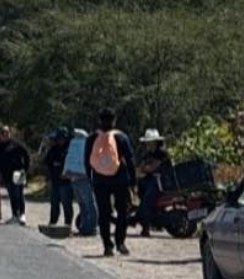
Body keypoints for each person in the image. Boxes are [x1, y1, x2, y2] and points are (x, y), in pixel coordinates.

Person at [86, 108, 136, 256]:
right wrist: (133, 180)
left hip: (100, 181)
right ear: (114, 120)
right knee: (123, 211)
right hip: (120, 179)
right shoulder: (122, 137)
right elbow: (130, 159)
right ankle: (120, 242)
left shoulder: (92, 138)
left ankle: (107, 245)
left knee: (104, 212)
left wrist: (90, 178)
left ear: (99, 120)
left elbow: (87, 160)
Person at [136, 130, 171, 238]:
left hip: (161, 181)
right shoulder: (148, 153)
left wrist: (145, 169)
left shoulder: (161, 153)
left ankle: (145, 227)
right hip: (151, 180)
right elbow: (141, 167)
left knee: (147, 200)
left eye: (150, 142)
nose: (148, 144)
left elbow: (151, 168)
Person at [63, 128, 98, 237]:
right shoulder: (80, 146)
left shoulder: (78, 146)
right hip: (81, 178)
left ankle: (90, 227)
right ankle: (86, 227)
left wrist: (68, 173)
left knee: (86, 204)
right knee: (86, 204)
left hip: (78, 179)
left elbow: (69, 162)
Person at [0, 126, 30, 225]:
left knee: (19, 194)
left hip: (18, 173)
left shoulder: (16, 144)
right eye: (2, 133)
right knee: (12, 195)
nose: (5, 134)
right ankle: (15, 215)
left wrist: (25, 169)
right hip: (7, 174)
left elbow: (26, 155)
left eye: (6, 132)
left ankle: (22, 215)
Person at [42, 128, 74, 228]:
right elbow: (47, 163)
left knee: (66, 204)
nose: (60, 140)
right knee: (54, 203)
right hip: (55, 181)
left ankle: (67, 224)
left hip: (66, 182)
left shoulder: (70, 149)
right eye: (59, 138)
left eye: (62, 138)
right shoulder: (53, 149)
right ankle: (52, 223)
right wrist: (48, 178)